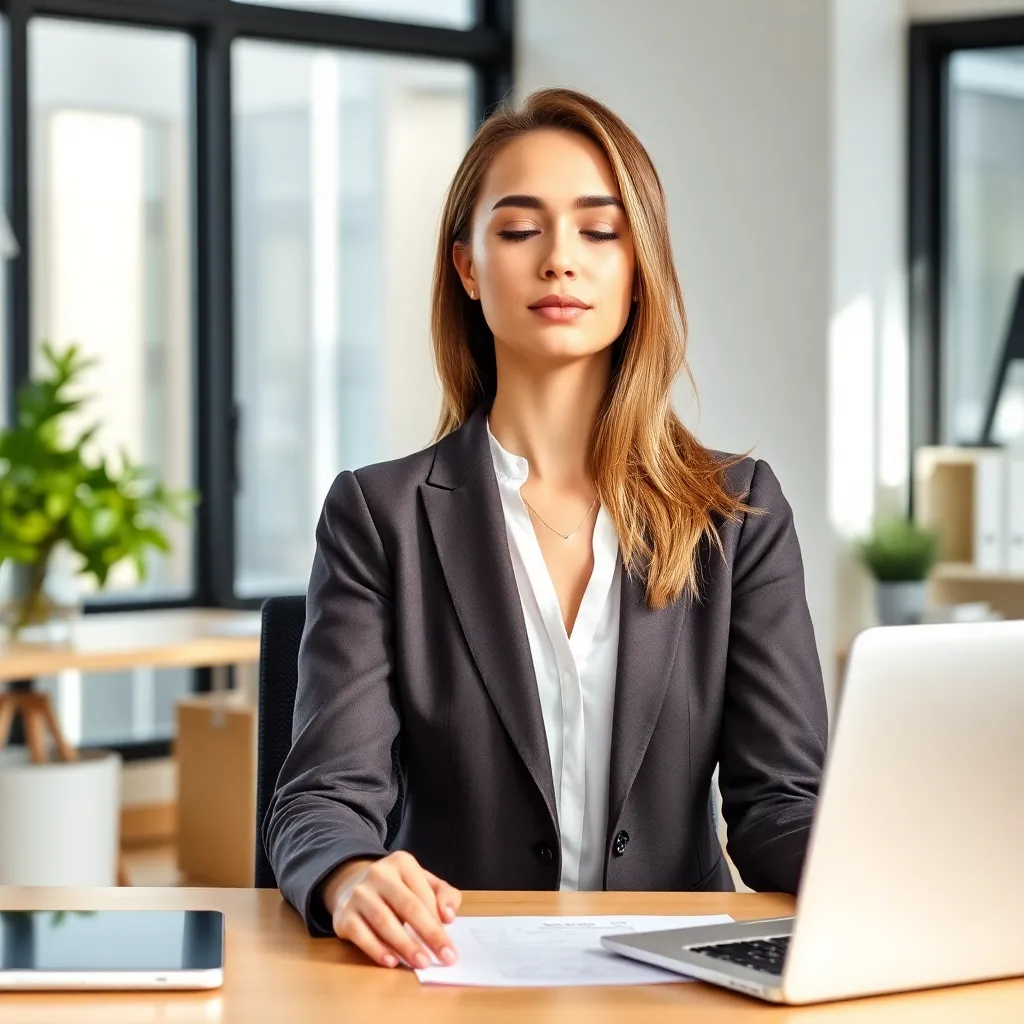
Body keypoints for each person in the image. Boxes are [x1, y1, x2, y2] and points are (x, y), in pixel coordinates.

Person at [264, 87, 828, 971]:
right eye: (520, 230)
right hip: (452, 971)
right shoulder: (380, 516)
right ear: (467, 267)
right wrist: (348, 876)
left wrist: (904, 871)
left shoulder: (736, 512)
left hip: (680, 981)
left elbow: (780, 807)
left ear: (638, 268)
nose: (560, 260)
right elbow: (322, 798)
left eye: (599, 232)